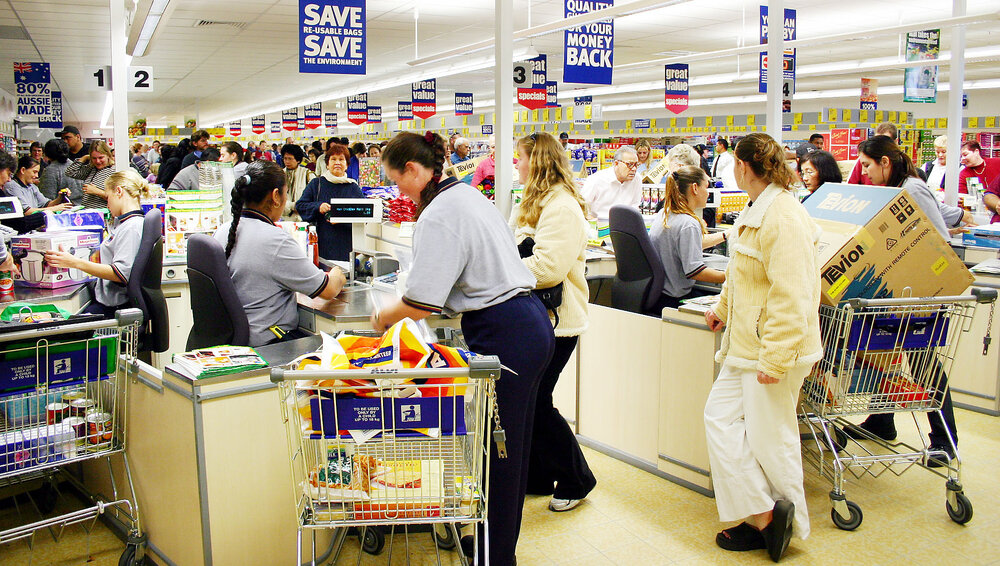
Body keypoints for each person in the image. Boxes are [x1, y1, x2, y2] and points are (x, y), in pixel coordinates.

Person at [373, 131, 554, 566]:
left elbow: (421, 301)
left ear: (414, 170)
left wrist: (381, 318)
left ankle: (496, 557)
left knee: (499, 455)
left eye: (398, 182)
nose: (399, 191)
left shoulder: (439, 212)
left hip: (504, 331)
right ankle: (495, 545)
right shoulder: (467, 195)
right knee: (512, 448)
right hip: (530, 322)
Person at [703, 132, 822, 562]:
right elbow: (743, 274)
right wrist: (721, 307)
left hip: (773, 349)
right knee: (719, 420)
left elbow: (793, 295)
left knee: (773, 440)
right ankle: (764, 514)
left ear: (743, 165)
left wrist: (777, 357)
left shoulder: (784, 216)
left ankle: (783, 526)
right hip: (746, 343)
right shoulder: (759, 208)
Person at [849, 135, 972, 463]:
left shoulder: (912, 189)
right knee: (882, 355)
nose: (865, 173)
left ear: (884, 162)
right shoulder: (896, 188)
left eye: (866, 165)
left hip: (922, 293)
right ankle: (881, 420)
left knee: (923, 363)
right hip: (901, 291)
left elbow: (933, 239)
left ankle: (945, 441)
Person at [514, 132, 596, 513]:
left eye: (520, 158)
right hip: (537, 318)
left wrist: (502, 269)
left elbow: (548, 268)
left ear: (538, 161)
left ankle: (578, 478)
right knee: (531, 401)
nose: (516, 164)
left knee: (538, 402)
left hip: (558, 322)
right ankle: (538, 475)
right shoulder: (535, 202)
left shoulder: (561, 207)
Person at [215, 161, 345, 347]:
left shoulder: (223, 230)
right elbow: (328, 290)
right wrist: (337, 275)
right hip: (270, 342)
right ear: (276, 196)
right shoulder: (275, 240)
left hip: (233, 339)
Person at [44, 170, 151, 317]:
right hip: (109, 303)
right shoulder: (125, 224)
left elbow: (120, 274)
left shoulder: (131, 227)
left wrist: (75, 263)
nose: (107, 204)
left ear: (118, 191)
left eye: (108, 198)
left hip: (114, 309)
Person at [649, 166, 726, 309]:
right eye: (706, 187)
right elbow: (695, 271)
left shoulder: (665, 214)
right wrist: (729, 276)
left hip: (660, 297)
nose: (708, 193)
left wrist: (725, 235)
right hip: (675, 300)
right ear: (695, 188)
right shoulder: (688, 223)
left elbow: (685, 245)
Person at [295, 144, 364, 261]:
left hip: (346, 244)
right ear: (327, 164)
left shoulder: (353, 187)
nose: (337, 162)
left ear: (347, 165)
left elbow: (364, 215)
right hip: (321, 242)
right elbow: (300, 206)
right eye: (333, 159)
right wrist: (318, 206)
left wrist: (342, 218)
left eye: (341, 159)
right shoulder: (316, 184)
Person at [580, 146, 641, 220]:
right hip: (600, 225)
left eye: (636, 165)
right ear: (616, 163)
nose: (634, 169)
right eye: (630, 165)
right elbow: (581, 205)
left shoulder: (637, 179)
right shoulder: (596, 180)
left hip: (625, 225)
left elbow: (635, 205)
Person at [3, 156, 73, 214]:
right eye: (34, 172)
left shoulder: (32, 186)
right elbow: (27, 212)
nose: (36, 176)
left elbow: (46, 204)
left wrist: (60, 197)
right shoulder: (12, 186)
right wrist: (54, 209)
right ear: (23, 170)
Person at [66, 140, 116, 209]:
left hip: (104, 215)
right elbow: (70, 172)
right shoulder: (92, 168)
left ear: (108, 155)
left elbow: (118, 198)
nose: (98, 161)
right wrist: (84, 158)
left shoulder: (114, 171)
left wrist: (97, 192)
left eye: (101, 157)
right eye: (94, 158)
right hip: (88, 213)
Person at [38, 139, 86, 205]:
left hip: (64, 210)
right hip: (82, 207)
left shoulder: (51, 170)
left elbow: (46, 200)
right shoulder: (75, 166)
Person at [281, 144, 315, 220]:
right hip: (284, 217)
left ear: (298, 160)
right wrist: (292, 205)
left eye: (290, 158)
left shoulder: (308, 174)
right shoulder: (279, 175)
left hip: (303, 217)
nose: (287, 161)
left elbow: (313, 197)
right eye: (285, 158)